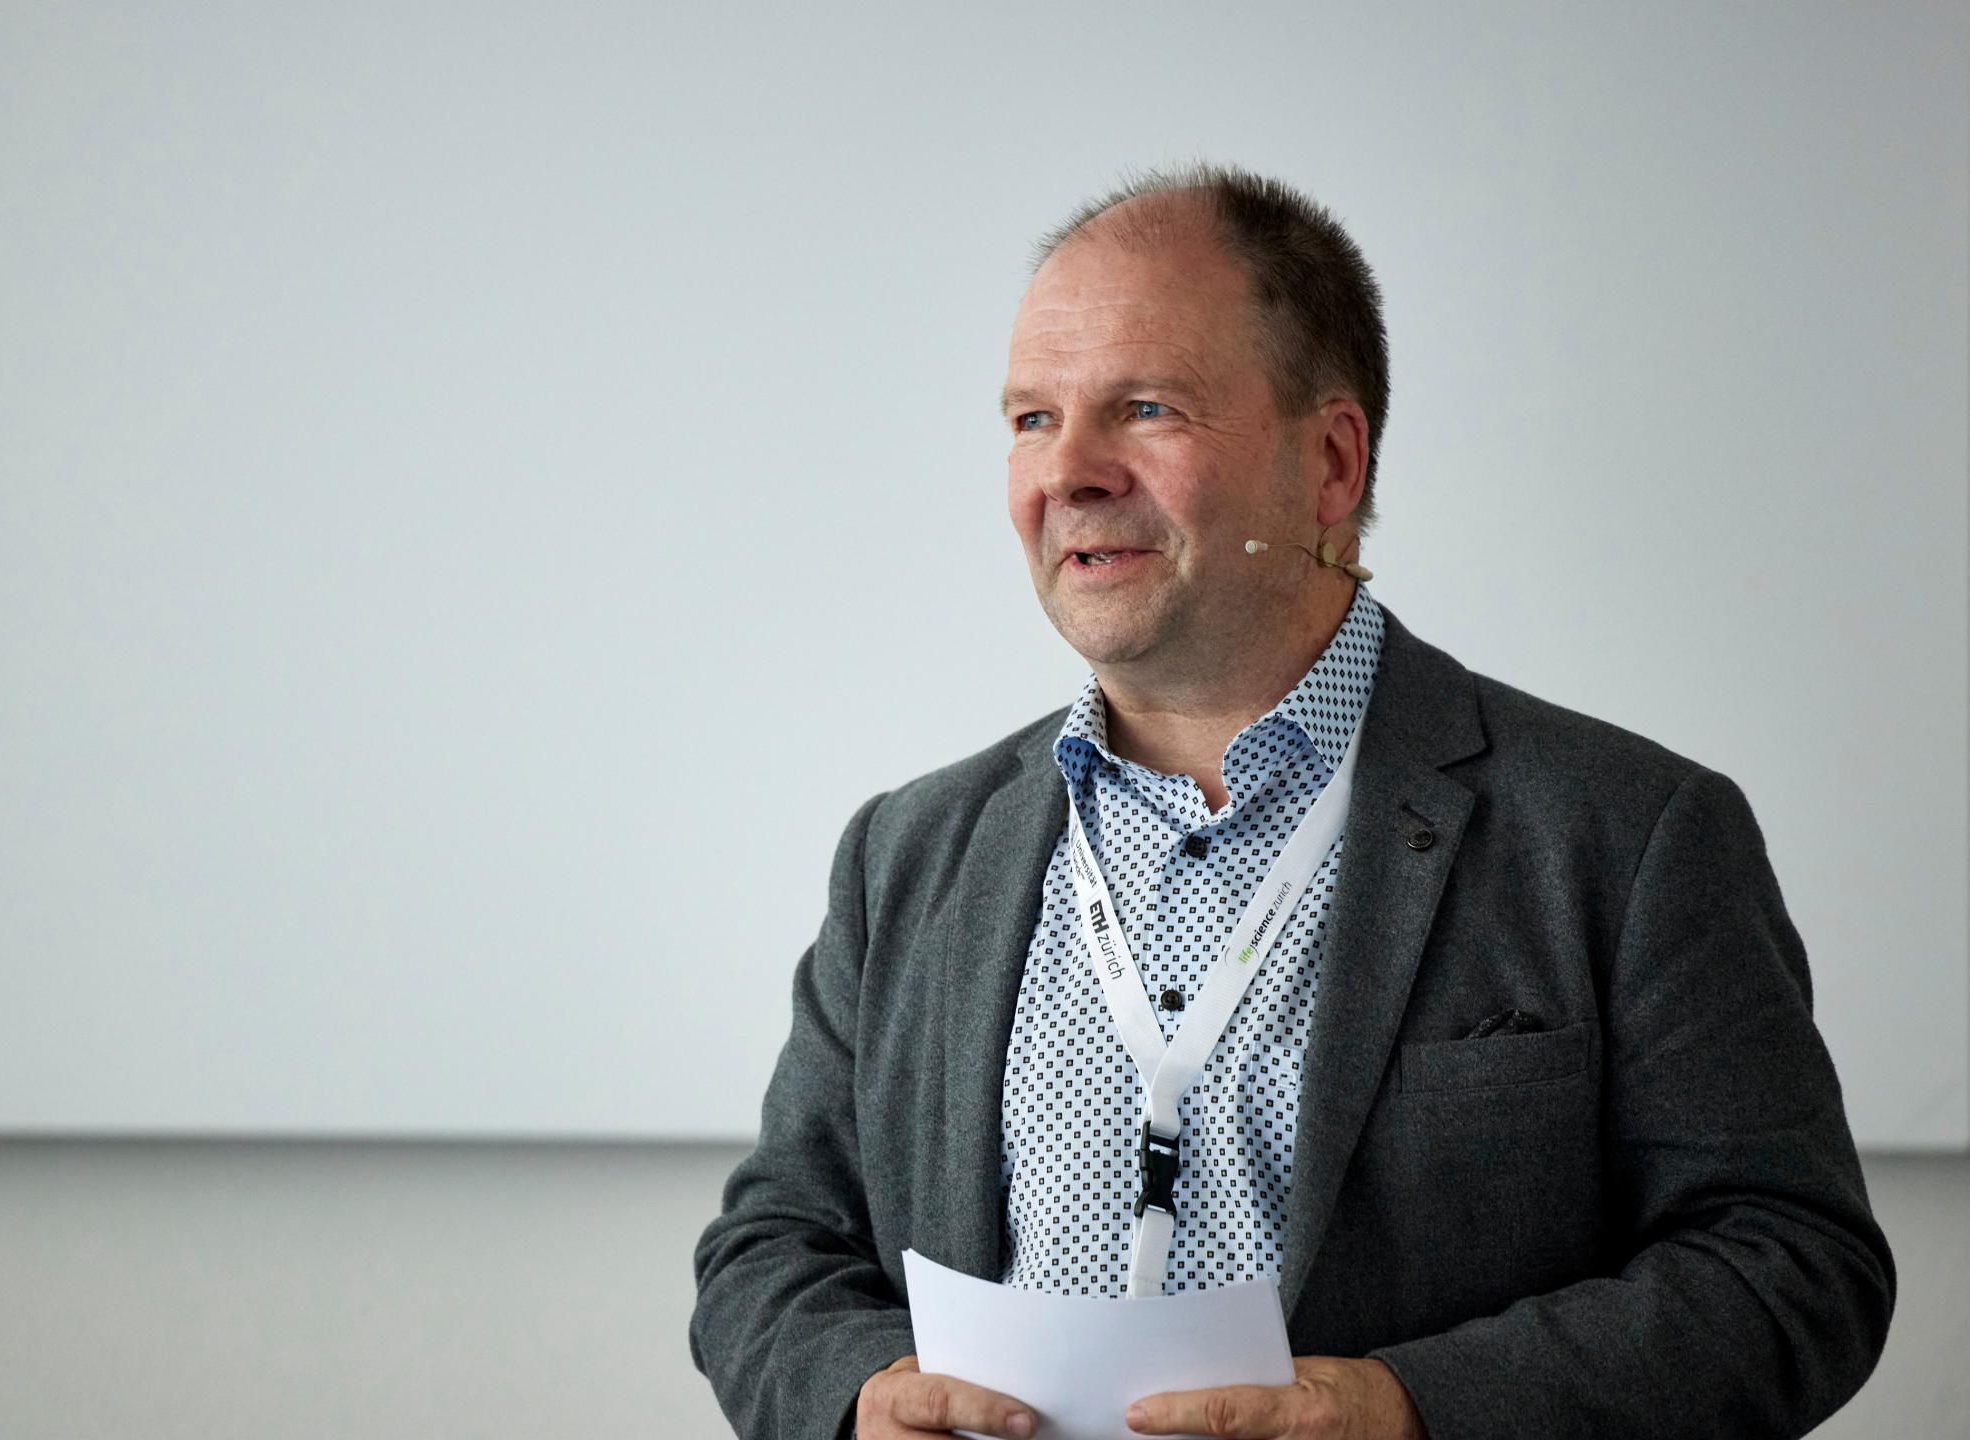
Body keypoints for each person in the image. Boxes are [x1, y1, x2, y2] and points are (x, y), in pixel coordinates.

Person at [689, 162, 1894, 1440]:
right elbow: (772, 1248)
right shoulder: (909, 854)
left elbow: (1792, 1266)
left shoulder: (1628, 836)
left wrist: (1417, 1411)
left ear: (1329, 463)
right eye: (1031, 419)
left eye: (1143, 407)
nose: (1070, 472)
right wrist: (859, 1396)